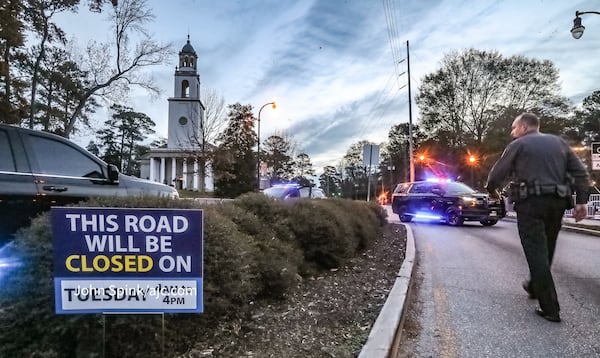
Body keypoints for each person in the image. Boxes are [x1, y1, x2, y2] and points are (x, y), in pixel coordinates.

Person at [485, 112, 589, 323]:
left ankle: (550, 308)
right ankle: (535, 286)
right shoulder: (559, 143)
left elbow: (499, 171)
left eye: (514, 128)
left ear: (524, 127)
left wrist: (492, 189)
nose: (513, 133)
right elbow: (580, 173)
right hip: (558, 203)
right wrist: (582, 202)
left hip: (531, 203)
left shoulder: (519, 144)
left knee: (536, 252)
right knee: (547, 249)